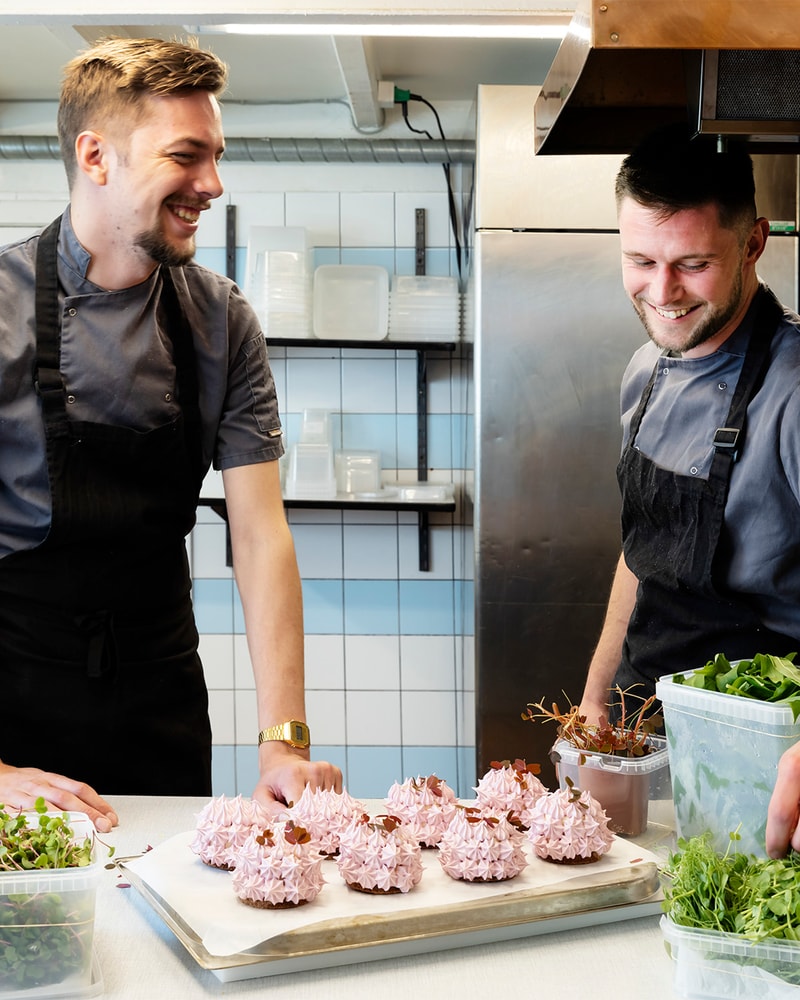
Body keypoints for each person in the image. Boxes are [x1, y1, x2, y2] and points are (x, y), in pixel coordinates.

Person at [0, 36, 342, 830]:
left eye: (215, 157)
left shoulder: (221, 320)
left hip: (161, 702)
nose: (212, 184)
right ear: (96, 156)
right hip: (15, 709)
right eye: (187, 156)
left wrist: (283, 743)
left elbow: (261, 535)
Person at [577, 122, 800, 858]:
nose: (663, 292)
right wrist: (593, 703)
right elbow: (642, 553)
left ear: (754, 241)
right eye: (639, 260)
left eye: (693, 263)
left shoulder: (794, 393)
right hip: (643, 736)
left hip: (761, 764)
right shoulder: (646, 371)